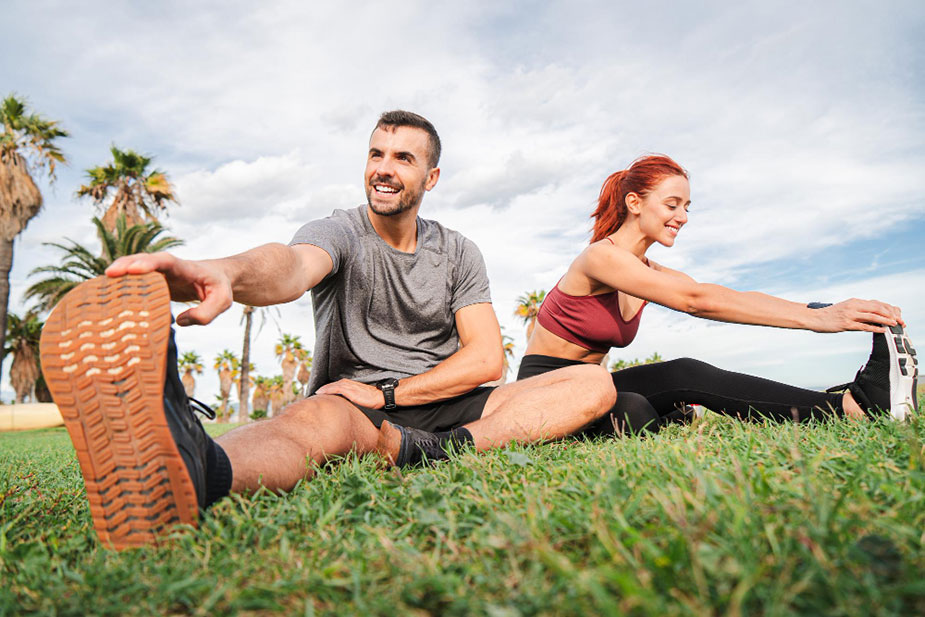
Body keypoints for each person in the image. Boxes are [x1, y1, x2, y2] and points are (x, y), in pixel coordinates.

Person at [39, 111, 616, 550]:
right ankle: (191, 472)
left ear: (431, 176)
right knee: (310, 423)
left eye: (403, 159)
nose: (383, 169)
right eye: (376, 153)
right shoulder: (338, 231)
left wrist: (390, 393)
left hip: (448, 405)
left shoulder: (459, 251)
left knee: (594, 385)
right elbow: (289, 267)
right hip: (351, 408)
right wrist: (225, 272)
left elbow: (486, 358)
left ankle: (434, 453)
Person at [515, 154, 919, 433]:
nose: (683, 217)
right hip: (545, 394)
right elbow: (698, 302)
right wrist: (818, 320)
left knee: (642, 406)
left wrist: (822, 308)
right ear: (634, 202)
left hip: (593, 387)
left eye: (688, 206)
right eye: (672, 204)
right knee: (650, 399)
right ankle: (850, 409)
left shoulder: (650, 272)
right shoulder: (599, 258)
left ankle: (850, 407)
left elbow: (718, 295)